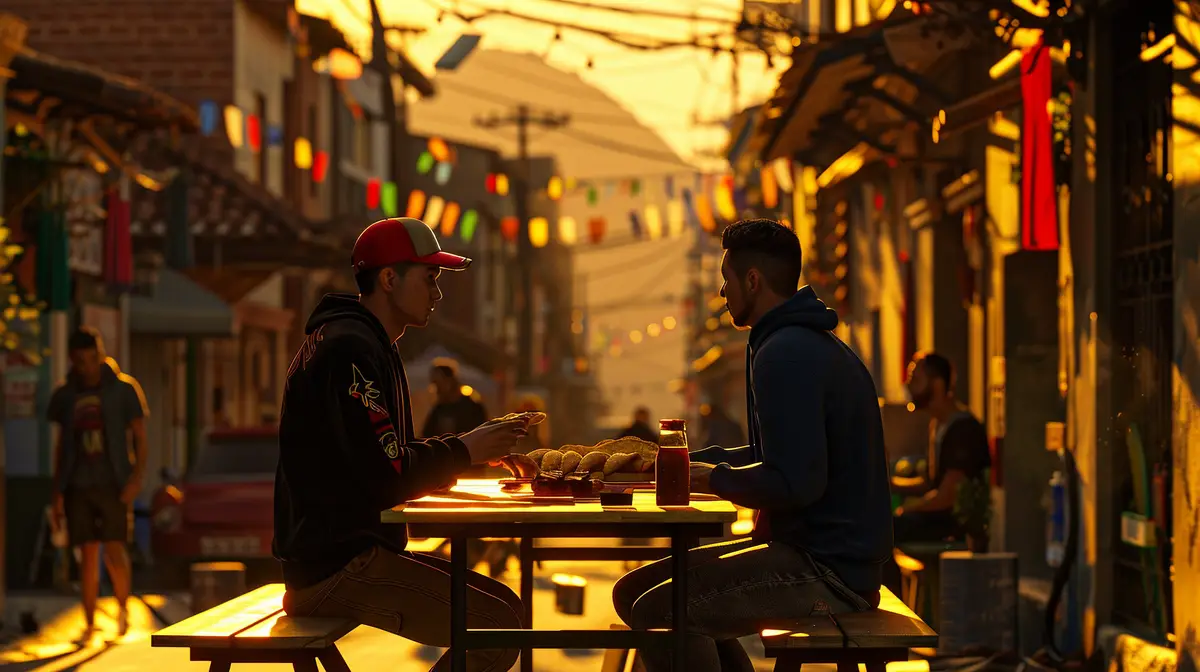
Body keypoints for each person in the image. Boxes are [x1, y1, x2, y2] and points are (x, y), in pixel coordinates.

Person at [613, 219, 893, 672]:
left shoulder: (786, 353)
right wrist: (682, 463)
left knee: (657, 612)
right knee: (631, 592)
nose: (722, 295)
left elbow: (796, 483)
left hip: (831, 571)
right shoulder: (790, 343)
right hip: (810, 552)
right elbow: (770, 457)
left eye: (726, 282)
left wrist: (715, 479)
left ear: (753, 280)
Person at [273, 217, 528, 672]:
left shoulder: (364, 341)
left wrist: (471, 450)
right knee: (499, 627)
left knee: (509, 607)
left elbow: (386, 460)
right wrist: (467, 450)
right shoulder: (351, 350)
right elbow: (388, 476)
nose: (438, 291)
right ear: (389, 279)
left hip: (347, 553)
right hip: (336, 566)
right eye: (430, 277)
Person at [48, 327, 148, 640]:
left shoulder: (122, 390)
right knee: (87, 553)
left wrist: (136, 479)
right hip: (78, 483)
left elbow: (140, 436)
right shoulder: (66, 395)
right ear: (72, 360)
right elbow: (62, 444)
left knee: (115, 550)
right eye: (81, 360)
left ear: (100, 355)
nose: (88, 366)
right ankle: (90, 622)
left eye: (93, 358)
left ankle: (122, 610)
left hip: (113, 483)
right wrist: (57, 494)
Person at [892, 352, 991, 543]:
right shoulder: (937, 424)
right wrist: (892, 485)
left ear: (937, 385)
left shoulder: (963, 429)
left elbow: (947, 496)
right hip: (938, 518)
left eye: (916, 379)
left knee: (885, 531)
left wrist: (908, 509)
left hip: (956, 525)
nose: (908, 385)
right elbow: (931, 483)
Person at [422, 358, 488, 437]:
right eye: (434, 384)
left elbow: (481, 436)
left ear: (450, 381)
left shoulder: (473, 408)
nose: (436, 389)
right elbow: (426, 437)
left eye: (439, 383)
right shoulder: (438, 410)